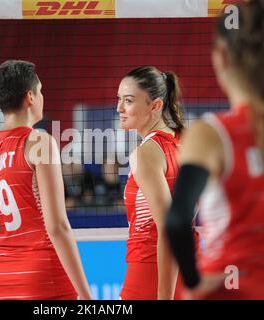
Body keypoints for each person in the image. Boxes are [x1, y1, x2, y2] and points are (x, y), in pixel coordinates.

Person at [0, 60, 92, 300]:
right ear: (30, 97)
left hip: (3, 284)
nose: (42, 96)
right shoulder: (40, 143)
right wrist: (86, 296)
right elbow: (57, 227)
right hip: (45, 278)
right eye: (41, 90)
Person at [165, 0, 264, 300]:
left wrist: (194, 283)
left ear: (220, 57)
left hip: (234, 286)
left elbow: (178, 219)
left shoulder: (210, 134)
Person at [116, 66, 186, 299]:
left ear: (155, 106)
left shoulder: (145, 153)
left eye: (128, 101)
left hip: (150, 270)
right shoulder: (184, 142)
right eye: (119, 99)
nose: (119, 108)